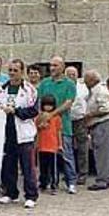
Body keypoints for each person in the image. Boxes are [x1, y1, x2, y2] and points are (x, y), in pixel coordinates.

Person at [0, 59, 39, 209]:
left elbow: (33, 111)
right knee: (8, 164)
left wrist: (16, 111)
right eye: (10, 70)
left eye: (15, 70)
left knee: (27, 166)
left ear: (22, 72)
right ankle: (10, 192)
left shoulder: (29, 90)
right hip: (7, 132)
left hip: (24, 132)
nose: (12, 73)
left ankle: (31, 195)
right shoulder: (1, 90)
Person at [37, 56, 78, 194]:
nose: (52, 68)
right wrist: (42, 119)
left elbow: (68, 102)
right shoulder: (44, 83)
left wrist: (52, 114)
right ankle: (46, 181)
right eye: (51, 65)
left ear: (62, 67)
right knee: (45, 158)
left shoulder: (69, 84)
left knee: (66, 155)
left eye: (55, 65)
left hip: (62, 126)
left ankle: (71, 181)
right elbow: (38, 102)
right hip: (45, 128)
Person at [84, 70, 109, 191]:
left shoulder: (100, 91)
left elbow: (105, 109)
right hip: (100, 124)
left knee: (101, 153)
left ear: (92, 80)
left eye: (86, 80)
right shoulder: (96, 91)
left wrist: (90, 115)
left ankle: (102, 180)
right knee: (106, 152)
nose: (85, 83)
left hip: (101, 124)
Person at [68, 65, 90, 186]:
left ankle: (83, 174)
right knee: (68, 148)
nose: (71, 76)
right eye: (69, 74)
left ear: (77, 75)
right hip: (66, 120)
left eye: (73, 74)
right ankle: (70, 173)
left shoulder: (83, 88)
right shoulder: (64, 86)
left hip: (81, 120)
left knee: (83, 148)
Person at [37, 94, 63, 195]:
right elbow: (36, 127)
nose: (48, 107)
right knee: (43, 167)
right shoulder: (39, 116)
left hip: (53, 146)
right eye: (46, 105)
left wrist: (60, 144)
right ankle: (43, 184)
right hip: (42, 146)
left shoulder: (56, 117)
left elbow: (59, 131)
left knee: (53, 168)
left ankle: (54, 185)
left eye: (50, 105)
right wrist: (41, 125)